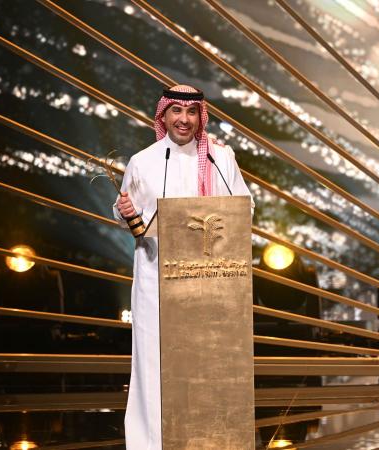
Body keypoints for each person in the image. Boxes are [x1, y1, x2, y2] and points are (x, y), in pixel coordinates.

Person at [113, 84, 254, 449]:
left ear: (200, 117)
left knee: (209, 362)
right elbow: (126, 214)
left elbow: (245, 208)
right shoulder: (143, 161)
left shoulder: (221, 159)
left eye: (191, 112)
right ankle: (152, 443)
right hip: (157, 281)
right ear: (163, 115)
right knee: (155, 364)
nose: (184, 119)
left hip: (210, 281)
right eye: (176, 111)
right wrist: (124, 211)